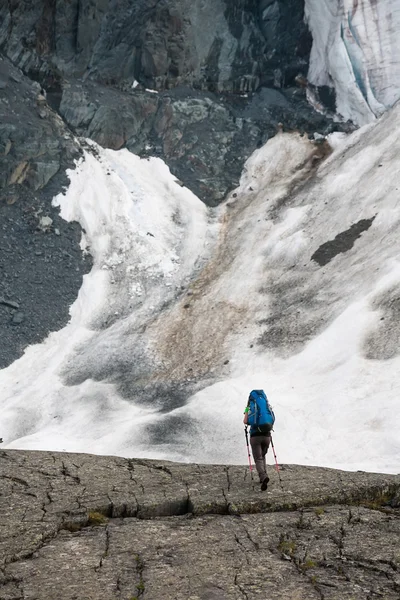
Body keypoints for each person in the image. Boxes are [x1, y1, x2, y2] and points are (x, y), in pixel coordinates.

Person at [243, 401, 271, 491]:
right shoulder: (266, 408)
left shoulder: (252, 410)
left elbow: (245, 421)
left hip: (255, 437)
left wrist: (246, 409)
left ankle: (263, 477)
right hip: (267, 436)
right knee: (262, 455)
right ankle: (263, 476)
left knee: (258, 458)